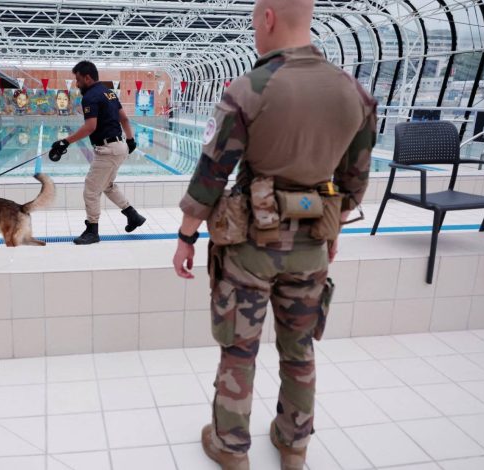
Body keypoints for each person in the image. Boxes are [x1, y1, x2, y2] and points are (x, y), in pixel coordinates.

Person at [171, 0, 377, 469]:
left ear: (267, 19)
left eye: (254, 26)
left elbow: (212, 174)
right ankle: (293, 444)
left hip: (250, 247)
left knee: (239, 351)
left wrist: (186, 236)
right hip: (312, 245)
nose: (254, 35)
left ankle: (230, 449)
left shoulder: (249, 88)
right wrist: (332, 231)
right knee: (299, 349)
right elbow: (355, 182)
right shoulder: (353, 92)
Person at [49, 60, 147, 245]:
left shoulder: (90, 96)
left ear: (87, 78)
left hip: (108, 150)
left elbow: (90, 127)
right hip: (119, 147)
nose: (77, 84)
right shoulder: (109, 92)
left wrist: (65, 142)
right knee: (107, 186)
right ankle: (133, 216)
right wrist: (131, 140)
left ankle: (92, 231)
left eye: (78, 80)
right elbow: (124, 119)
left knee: (91, 190)